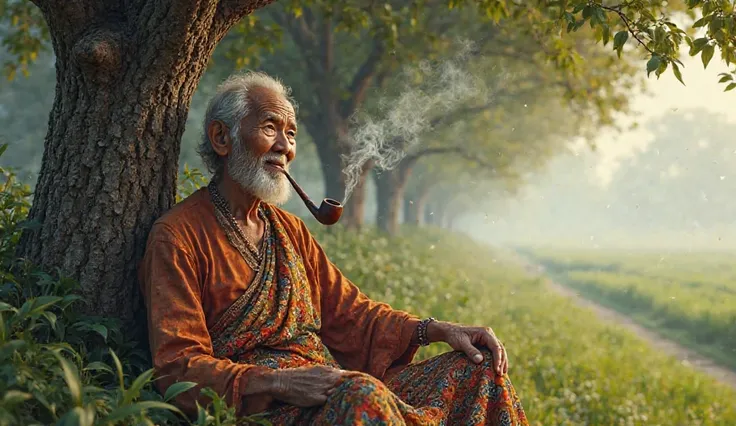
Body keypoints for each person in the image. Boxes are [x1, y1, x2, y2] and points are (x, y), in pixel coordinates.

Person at [139, 71, 529, 425]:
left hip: (329, 389)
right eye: (270, 127)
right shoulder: (177, 236)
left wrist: (438, 330)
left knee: (477, 371)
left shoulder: (290, 230)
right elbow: (179, 367)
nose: (284, 147)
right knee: (362, 395)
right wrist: (280, 384)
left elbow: (352, 315)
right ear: (221, 138)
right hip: (268, 409)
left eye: (291, 134)